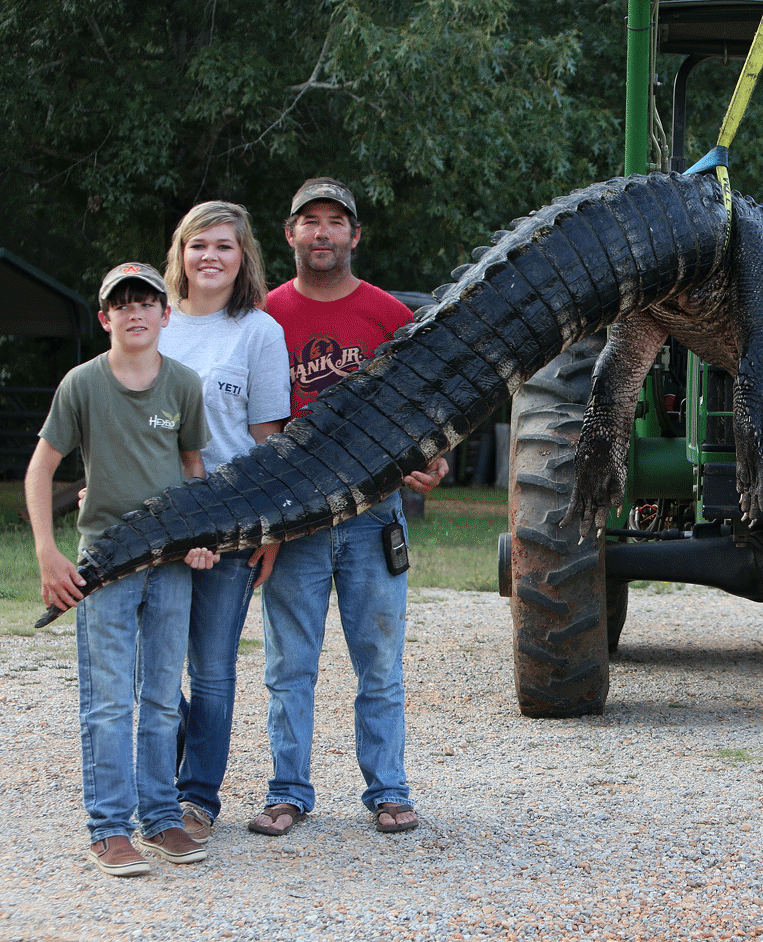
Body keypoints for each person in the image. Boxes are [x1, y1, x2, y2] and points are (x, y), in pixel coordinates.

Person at [251, 178, 448, 837]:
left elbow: (435, 394)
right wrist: (271, 515)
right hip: (298, 517)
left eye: (336, 221)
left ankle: (389, 792)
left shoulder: (389, 315)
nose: (324, 232)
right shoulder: (266, 315)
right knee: (289, 667)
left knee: (380, 664)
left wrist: (435, 453)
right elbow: (257, 419)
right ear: (291, 234)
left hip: (374, 516)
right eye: (311, 221)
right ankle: (287, 792)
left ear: (354, 236)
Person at [24, 263, 215, 876]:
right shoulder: (81, 385)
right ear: (106, 318)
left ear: (165, 315)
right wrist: (49, 553)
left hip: (169, 565)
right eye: (122, 304)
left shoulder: (184, 384)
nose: (136, 312)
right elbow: (39, 470)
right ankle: (109, 828)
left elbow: (193, 472)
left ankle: (160, 817)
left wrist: (200, 537)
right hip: (104, 565)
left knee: (161, 698)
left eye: (148, 302)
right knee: (108, 701)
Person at [159, 202, 291, 846]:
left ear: (244, 260)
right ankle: (169, 758)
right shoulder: (152, 321)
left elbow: (269, 439)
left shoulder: (258, 331)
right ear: (179, 254)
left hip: (231, 520)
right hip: (153, 518)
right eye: (197, 244)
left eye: (224, 247)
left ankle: (196, 796)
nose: (209, 256)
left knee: (210, 666)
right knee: (139, 659)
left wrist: (271, 527)